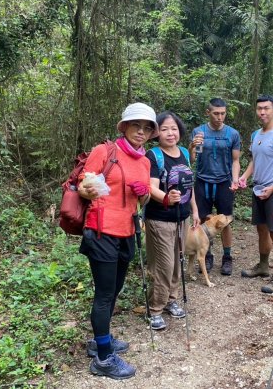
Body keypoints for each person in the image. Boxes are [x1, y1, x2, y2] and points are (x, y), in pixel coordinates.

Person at [78, 102, 157, 380]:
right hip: (101, 230)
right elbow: (83, 186)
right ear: (124, 126)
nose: (142, 131)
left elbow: (143, 198)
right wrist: (90, 189)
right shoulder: (105, 151)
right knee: (104, 293)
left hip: (127, 231)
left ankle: (101, 339)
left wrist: (144, 192)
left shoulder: (145, 160)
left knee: (114, 290)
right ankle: (103, 357)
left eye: (147, 128)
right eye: (137, 125)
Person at [145, 111, 199, 330]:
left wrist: (195, 210)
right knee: (164, 264)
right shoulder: (153, 155)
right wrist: (167, 197)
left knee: (178, 260)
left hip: (182, 217)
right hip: (160, 218)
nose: (170, 133)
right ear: (157, 132)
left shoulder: (184, 152)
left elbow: (188, 185)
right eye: (165, 129)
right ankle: (155, 308)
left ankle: (172, 299)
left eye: (174, 128)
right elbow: (150, 187)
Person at [239, 95, 273, 293]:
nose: (262, 112)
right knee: (261, 230)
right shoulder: (256, 135)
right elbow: (255, 161)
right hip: (258, 189)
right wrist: (244, 177)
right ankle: (263, 266)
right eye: (259, 109)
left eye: (266, 108)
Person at [190, 98, 241, 275]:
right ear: (208, 112)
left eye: (223, 113)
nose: (220, 117)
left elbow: (236, 160)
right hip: (203, 180)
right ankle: (208, 255)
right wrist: (192, 146)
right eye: (216, 113)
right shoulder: (199, 132)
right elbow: (193, 160)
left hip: (224, 182)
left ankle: (227, 258)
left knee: (226, 221)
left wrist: (235, 180)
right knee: (204, 220)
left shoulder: (232, 134)